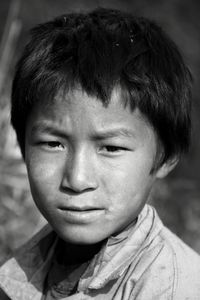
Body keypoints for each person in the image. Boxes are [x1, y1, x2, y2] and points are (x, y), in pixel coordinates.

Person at [0, 7, 200, 300]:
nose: (77, 179)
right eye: (53, 144)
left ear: (166, 156)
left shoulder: (173, 288)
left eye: (111, 148)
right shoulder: (19, 270)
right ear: (22, 145)